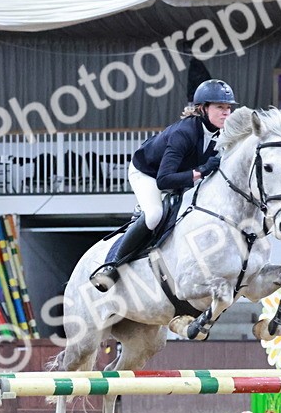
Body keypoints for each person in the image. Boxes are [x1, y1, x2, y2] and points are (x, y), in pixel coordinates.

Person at [90, 79, 237, 291]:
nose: (226, 113)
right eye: (220, 107)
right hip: (148, 173)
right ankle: (112, 265)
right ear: (203, 108)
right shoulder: (183, 133)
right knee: (154, 216)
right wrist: (201, 171)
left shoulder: (221, 134)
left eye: (228, 108)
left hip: (180, 175)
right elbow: (164, 180)